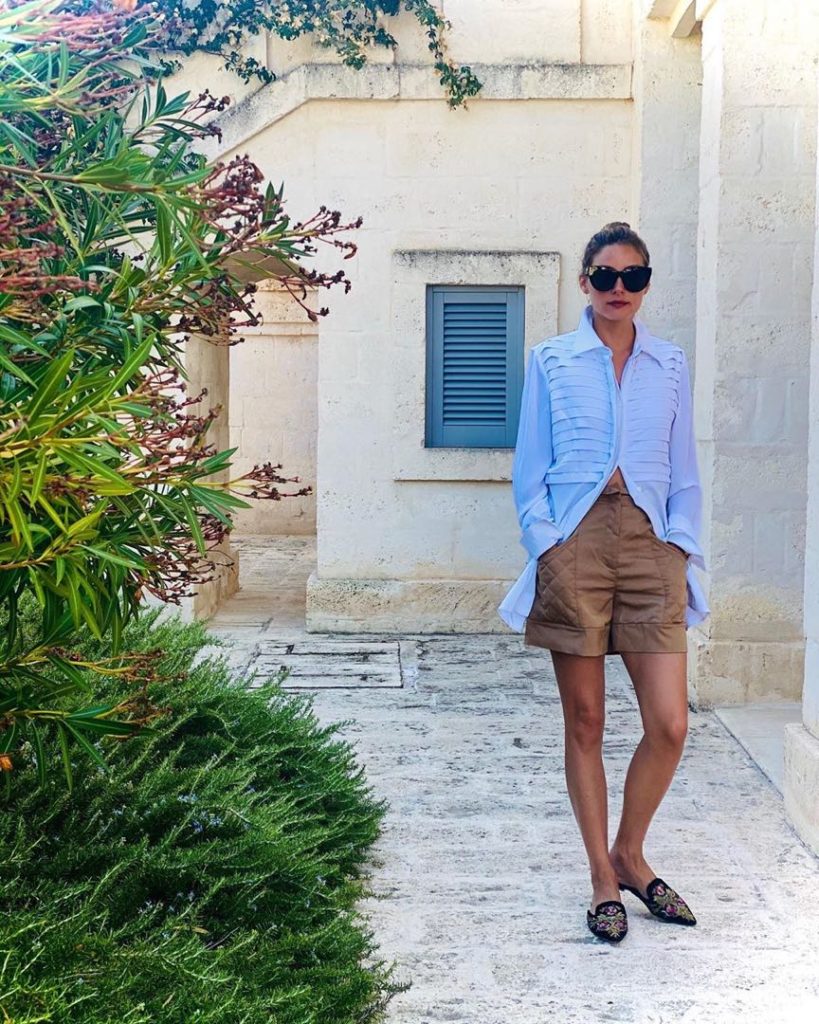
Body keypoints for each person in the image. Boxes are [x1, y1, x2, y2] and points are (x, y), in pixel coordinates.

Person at [497, 222, 709, 943]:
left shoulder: (669, 362)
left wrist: (679, 542)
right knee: (586, 721)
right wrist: (546, 544)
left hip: (652, 544)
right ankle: (600, 877)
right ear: (586, 281)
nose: (620, 289)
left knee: (669, 724)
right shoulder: (552, 360)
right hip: (576, 540)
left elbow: (683, 464)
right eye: (607, 276)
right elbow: (530, 465)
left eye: (634, 276)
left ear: (646, 284)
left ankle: (630, 853)